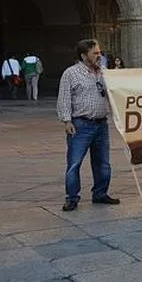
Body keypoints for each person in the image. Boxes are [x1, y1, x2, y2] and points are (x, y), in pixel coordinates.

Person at [57, 39, 119, 211]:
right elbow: (64, 99)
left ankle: (100, 193)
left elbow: (116, 90)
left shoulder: (103, 72)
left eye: (100, 52)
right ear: (84, 55)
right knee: (74, 162)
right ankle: (72, 197)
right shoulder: (71, 73)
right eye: (95, 53)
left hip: (101, 124)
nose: (99, 56)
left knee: (103, 163)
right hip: (80, 124)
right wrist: (67, 121)